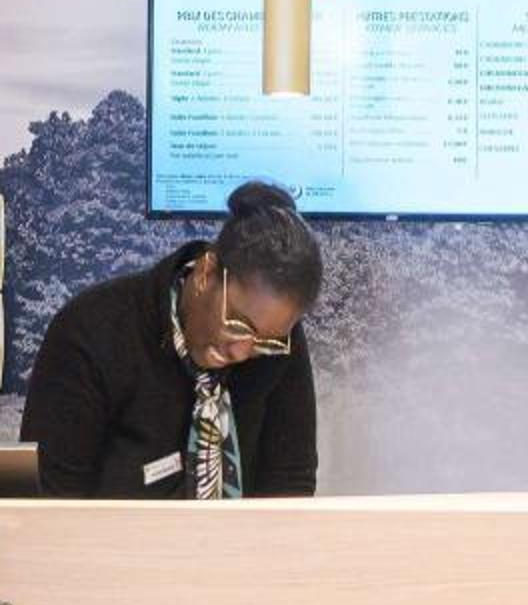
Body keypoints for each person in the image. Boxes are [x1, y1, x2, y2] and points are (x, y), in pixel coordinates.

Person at [21, 179, 323, 498]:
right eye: (236, 323)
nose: (241, 351)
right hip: (111, 530)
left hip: (242, 532)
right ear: (206, 273)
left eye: (264, 341)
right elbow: (52, 497)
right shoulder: (91, 332)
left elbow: (291, 481)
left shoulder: (277, 341)